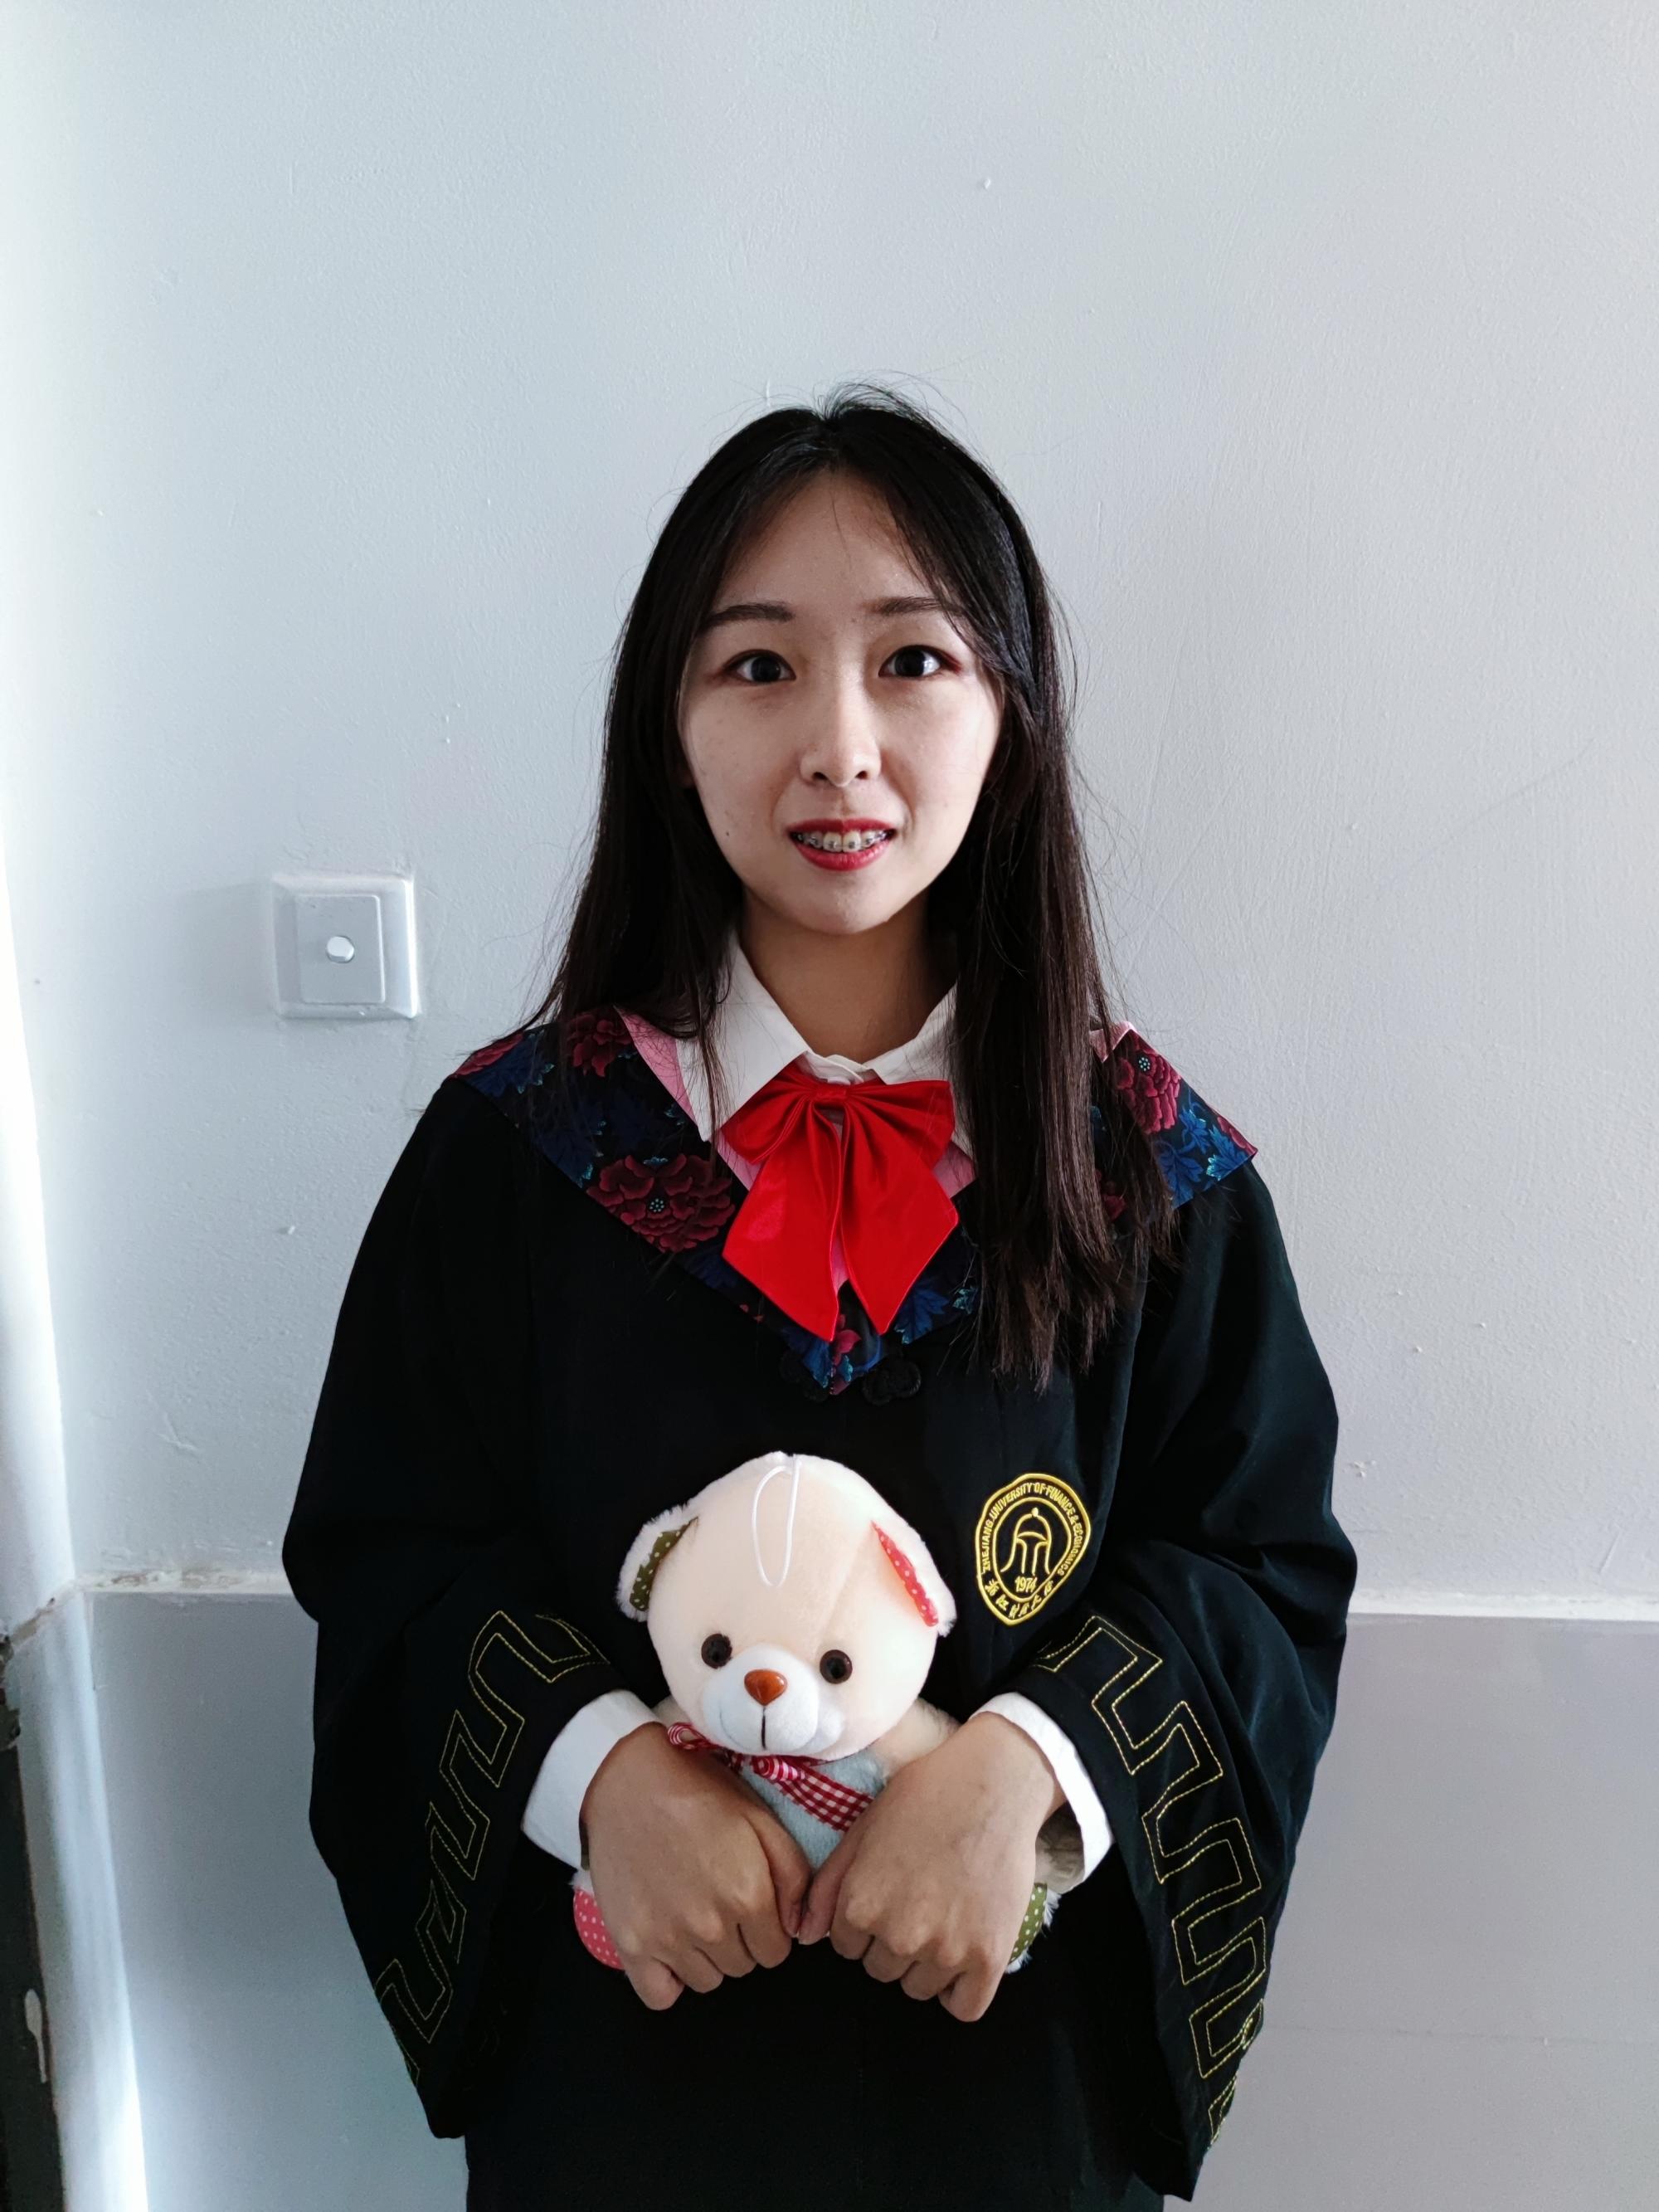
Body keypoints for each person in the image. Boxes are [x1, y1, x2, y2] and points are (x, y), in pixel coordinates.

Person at [282, 387, 1357, 2210]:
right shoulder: (521, 1155)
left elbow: (1257, 1561)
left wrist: (1032, 1769)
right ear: (671, 723)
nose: (839, 747)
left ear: (1009, 713)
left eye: (914, 660)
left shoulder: (1142, 1173)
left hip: (1010, 2087)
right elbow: (391, 1549)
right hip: (628, 2084)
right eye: (759, 666)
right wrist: (599, 1775)